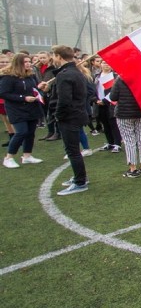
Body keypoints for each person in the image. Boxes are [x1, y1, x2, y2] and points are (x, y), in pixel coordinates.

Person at [49, 45, 89, 195]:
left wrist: (58, 115)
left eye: (54, 55)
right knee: (74, 150)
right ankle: (80, 177)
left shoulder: (65, 74)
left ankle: (80, 182)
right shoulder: (76, 72)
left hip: (70, 116)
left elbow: (64, 100)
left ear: (59, 56)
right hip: (77, 114)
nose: (53, 58)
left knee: (72, 151)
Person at [0, 53, 44, 168]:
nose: (29, 64)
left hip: (32, 107)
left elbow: (34, 89)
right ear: (18, 63)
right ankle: (9, 157)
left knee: (30, 132)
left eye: (29, 61)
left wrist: (41, 88)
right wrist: (23, 98)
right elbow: (3, 93)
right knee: (21, 132)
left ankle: (27, 156)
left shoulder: (31, 75)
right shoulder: (8, 77)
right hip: (16, 109)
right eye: (25, 62)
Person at [110, 75, 141, 178]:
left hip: (124, 114)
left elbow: (113, 97)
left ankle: (133, 168)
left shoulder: (120, 79)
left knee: (129, 141)